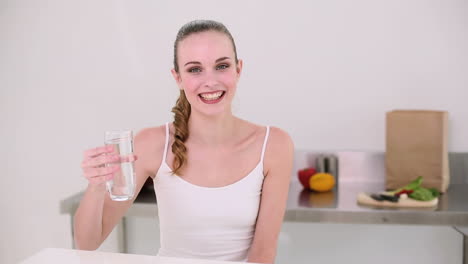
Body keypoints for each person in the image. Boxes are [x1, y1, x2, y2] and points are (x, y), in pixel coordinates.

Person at [74, 20, 294, 264]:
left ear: (238, 69)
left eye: (221, 65)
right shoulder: (151, 143)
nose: (210, 81)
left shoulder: (274, 145)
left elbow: (263, 255)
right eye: (194, 69)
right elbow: (87, 243)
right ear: (177, 77)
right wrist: (95, 187)